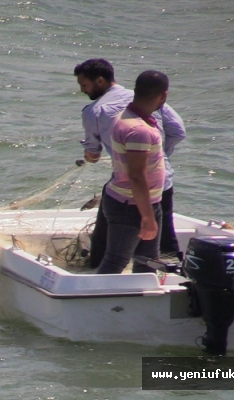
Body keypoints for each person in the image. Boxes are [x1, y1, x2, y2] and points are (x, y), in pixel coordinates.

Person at [73, 59, 185, 268]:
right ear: (163, 96)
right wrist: (160, 157)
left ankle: (98, 276)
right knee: (161, 246)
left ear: (99, 81)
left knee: (115, 252)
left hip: (133, 191)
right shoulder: (148, 108)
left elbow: (95, 154)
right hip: (154, 188)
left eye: (84, 85)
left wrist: (149, 156)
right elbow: (178, 131)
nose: (82, 90)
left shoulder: (97, 111)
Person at [95, 70, 169, 274]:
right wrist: (147, 216)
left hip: (145, 202)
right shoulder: (139, 130)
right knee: (115, 262)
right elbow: (136, 176)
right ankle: (95, 301)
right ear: (163, 95)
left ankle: (141, 305)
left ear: (136, 91)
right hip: (131, 205)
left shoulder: (127, 116)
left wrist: (150, 211)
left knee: (148, 262)